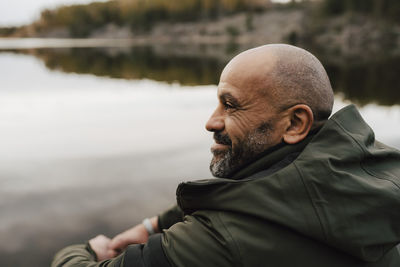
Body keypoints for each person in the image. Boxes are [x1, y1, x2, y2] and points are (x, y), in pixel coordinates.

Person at [52, 44, 400, 267]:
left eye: (231, 105)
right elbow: (255, 195)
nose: (210, 121)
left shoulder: (221, 240)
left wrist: (86, 252)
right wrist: (152, 226)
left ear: (295, 122)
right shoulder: (367, 178)